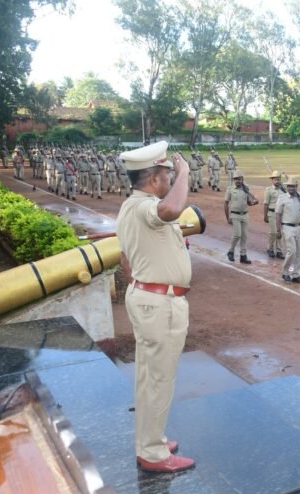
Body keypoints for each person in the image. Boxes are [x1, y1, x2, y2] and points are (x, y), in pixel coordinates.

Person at [116, 140, 195, 473]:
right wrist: (186, 174)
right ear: (154, 178)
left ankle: (151, 441)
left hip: (149, 297)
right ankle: (153, 452)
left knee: (150, 378)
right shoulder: (145, 206)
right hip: (159, 303)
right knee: (160, 379)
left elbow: (126, 260)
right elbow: (171, 210)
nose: (169, 179)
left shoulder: (130, 207)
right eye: (166, 174)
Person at [276, 176, 300, 284]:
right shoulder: (282, 198)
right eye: (289, 186)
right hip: (287, 227)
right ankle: (285, 272)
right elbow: (278, 214)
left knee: (299, 252)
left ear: (297, 187)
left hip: (299, 227)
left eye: (293, 186)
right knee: (291, 251)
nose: (291, 188)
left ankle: (296, 275)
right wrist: (278, 230)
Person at [224, 170, 257, 263]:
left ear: (242, 179)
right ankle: (231, 251)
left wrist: (254, 203)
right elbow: (226, 204)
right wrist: (227, 217)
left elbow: (249, 203)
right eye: (235, 179)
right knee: (237, 234)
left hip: (245, 215)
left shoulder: (246, 189)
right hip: (235, 215)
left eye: (239, 179)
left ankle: (243, 255)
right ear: (233, 180)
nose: (237, 181)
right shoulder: (230, 189)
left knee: (244, 236)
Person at [263, 170, 286, 259]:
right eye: (275, 179)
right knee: (273, 232)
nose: (277, 181)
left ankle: (279, 251)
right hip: (272, 213)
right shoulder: (269, 190)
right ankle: (270, 248)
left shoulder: (283, 189)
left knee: (279, 232)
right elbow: (266, 204)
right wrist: (265, 216)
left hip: (281, 214)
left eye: (278, 179)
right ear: (272, 180)